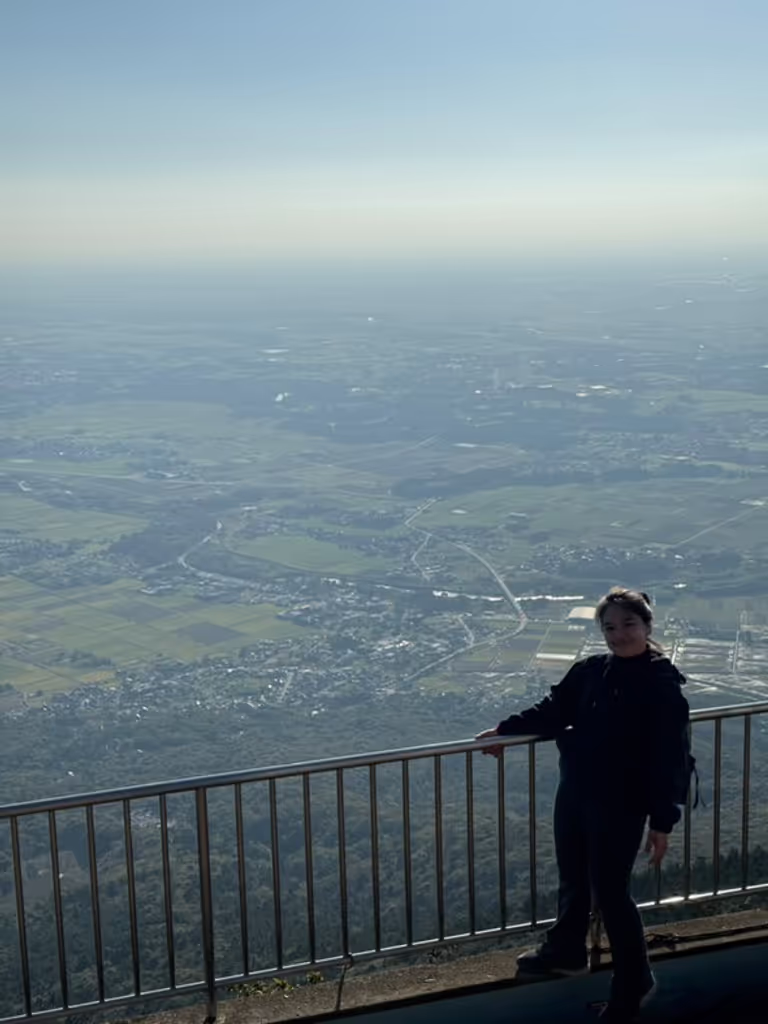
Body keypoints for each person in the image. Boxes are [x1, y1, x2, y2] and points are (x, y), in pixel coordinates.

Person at [476, 587, 690, 1023]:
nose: (618, 634)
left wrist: (662, 821)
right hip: (576, 790)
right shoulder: (591, 671)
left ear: (648, 627)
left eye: (629, 625)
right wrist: (504, 731)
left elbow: (670, 758)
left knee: (611, 893)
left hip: (622, 801)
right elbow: (554, 710)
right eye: (609, 627)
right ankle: (566, 951)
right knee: (574, 876)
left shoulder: (661, 685)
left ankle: (634, 983)